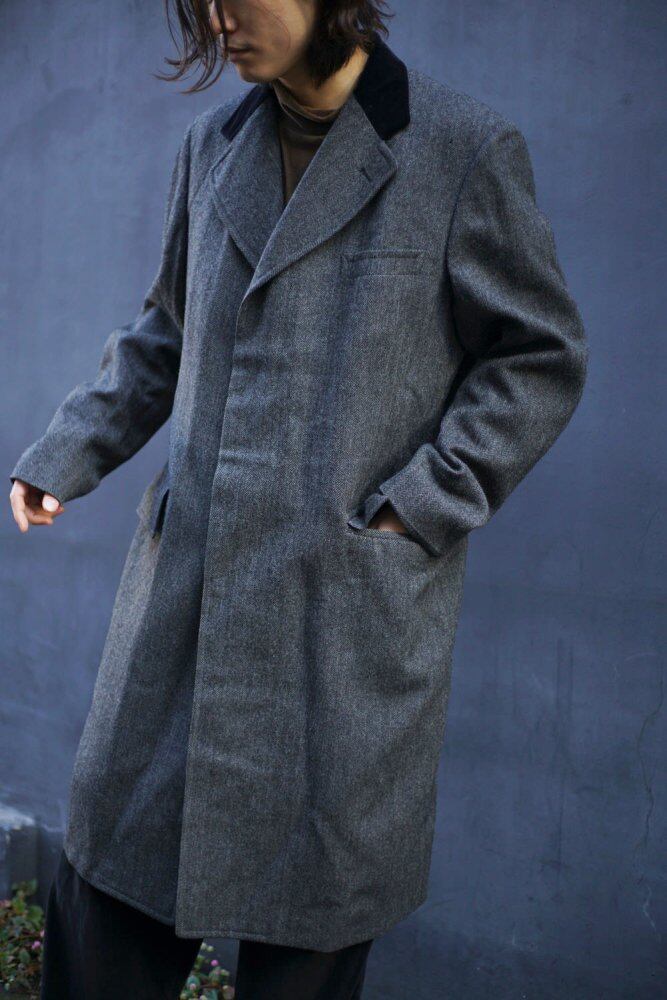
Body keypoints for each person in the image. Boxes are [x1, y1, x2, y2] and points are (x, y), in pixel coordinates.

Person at [9, 1, 588, 997]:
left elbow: (538, 356)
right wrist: (67, 450)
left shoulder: (461, 149)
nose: (220, 19)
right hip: (184, 609)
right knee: (107, 907)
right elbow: (167, 330)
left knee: (308, 937)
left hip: (339, 623)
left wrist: (422, 504)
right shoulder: (211, 145)